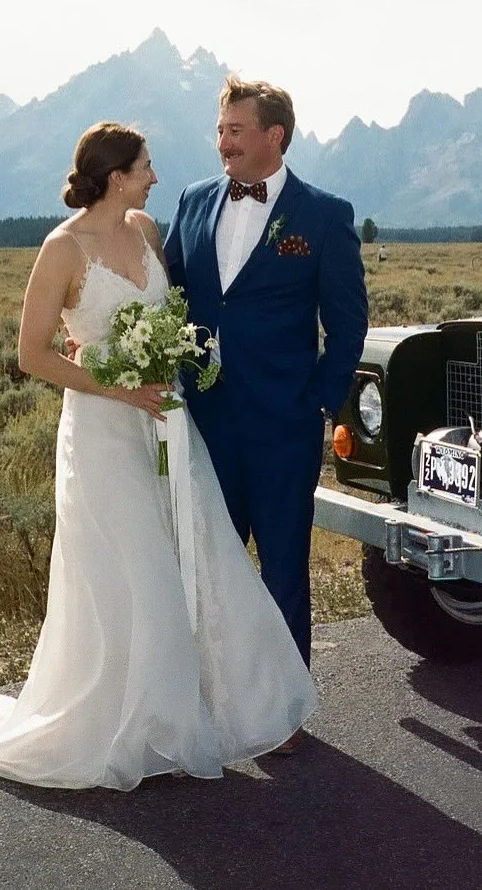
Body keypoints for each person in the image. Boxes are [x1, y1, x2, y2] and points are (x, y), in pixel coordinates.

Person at [0, 122, 316, 790]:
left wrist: (173, 360)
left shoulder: (147, 230)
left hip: (168, 421)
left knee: (202, 552)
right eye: (145, 166)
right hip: (103, 429)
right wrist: (119, 387)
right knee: (133, 567)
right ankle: (139, 722)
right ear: (116, 175)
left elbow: (174, 312)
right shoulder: (62, 249)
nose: (155, 177)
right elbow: (32, 354)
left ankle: (240, 709)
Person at [163, 76, 369, 678]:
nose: (222, 143)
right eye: (220, 129)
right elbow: (168, 291)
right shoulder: (193, 200)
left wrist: (320, 401)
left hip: (284, 425)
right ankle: (217, 696)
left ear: (273, 135)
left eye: (235, 130)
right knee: (208, 566)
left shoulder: (323, 215)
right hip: (206, 421)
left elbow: (348, 323)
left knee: (283, 570)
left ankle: (284, 706)